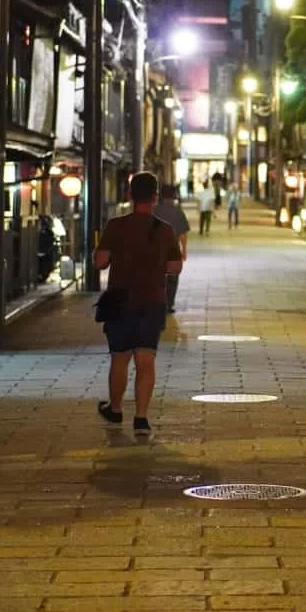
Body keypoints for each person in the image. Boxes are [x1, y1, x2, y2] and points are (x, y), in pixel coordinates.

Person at [93, 171, 182, 436]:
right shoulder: (165, 230)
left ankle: (116, 409)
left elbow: (100, 263)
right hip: (152, 302)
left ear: (130, 195)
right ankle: (141, 418)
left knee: (119, 359)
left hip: (120, 302)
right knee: (146, 360)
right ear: (155, 197)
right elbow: (175, 268)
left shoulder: (116, 226)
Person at [151, 182, 190, 313]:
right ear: (174, 195)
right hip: (173, 249)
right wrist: (184, 251)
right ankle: (169, 304)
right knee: (172, 278)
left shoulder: (154, 210)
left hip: (156, 250)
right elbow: (183, 233)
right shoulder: (178, 211)